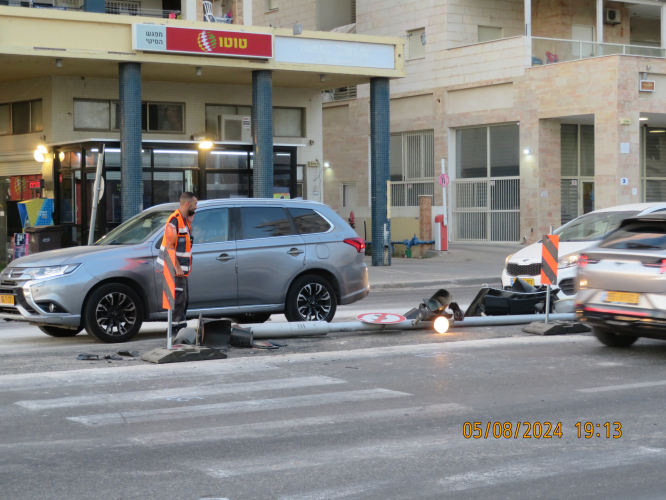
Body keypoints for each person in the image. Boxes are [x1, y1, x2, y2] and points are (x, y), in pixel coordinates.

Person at [156, 192, 197, 338]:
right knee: (178, 300)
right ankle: (174, 331)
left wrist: (190, 221)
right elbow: (169, 247)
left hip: (180, 269)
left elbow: (184, 241)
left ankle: (180, 329)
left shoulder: (183, 220)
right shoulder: (174, 221)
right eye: (195, 204)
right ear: (187, 204)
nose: (196, 207)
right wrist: (178, 267)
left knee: (183, 300)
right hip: (174, 268)